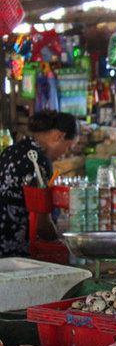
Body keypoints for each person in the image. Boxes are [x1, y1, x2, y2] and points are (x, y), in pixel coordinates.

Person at [0, 110, 79, 257]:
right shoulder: (38, 161)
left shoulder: (9, 152)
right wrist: (59, 241)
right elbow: (41, 221)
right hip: (15, 245)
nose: (65, 154)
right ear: (59, 136)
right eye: (68, 147)